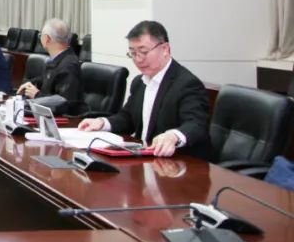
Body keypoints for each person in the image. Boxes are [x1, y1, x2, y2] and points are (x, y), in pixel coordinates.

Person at [78, 21, 210, 159]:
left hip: (179, 163)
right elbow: (128, 118)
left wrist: (173, 136)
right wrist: (103, 123)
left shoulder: (187, 84)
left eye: (143, 52)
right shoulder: (139, 82)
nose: (138, 59)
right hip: (145, 158)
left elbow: (196, 124)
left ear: (165, 49)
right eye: (133, 53)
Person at [17, 18, 82, 115]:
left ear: (46, 39)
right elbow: (47, 80)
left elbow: (65, 102)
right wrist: (31, 83)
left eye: (40, 36)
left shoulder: (69, 65)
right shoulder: (57, 59)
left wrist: (37, 95)